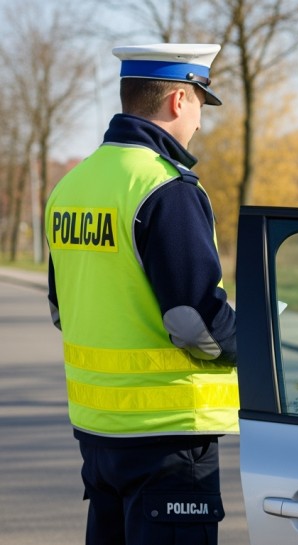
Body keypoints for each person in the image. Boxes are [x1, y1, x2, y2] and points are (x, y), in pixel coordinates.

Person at [45, 43, 237, 545]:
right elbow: (195, 323)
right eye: (200, 104)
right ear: (178, 100)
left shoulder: (72, 187)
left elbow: (60, 309)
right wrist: (257, 342)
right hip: (169, 439)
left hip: (98, 437)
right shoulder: (166, 188)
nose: (198, 122)